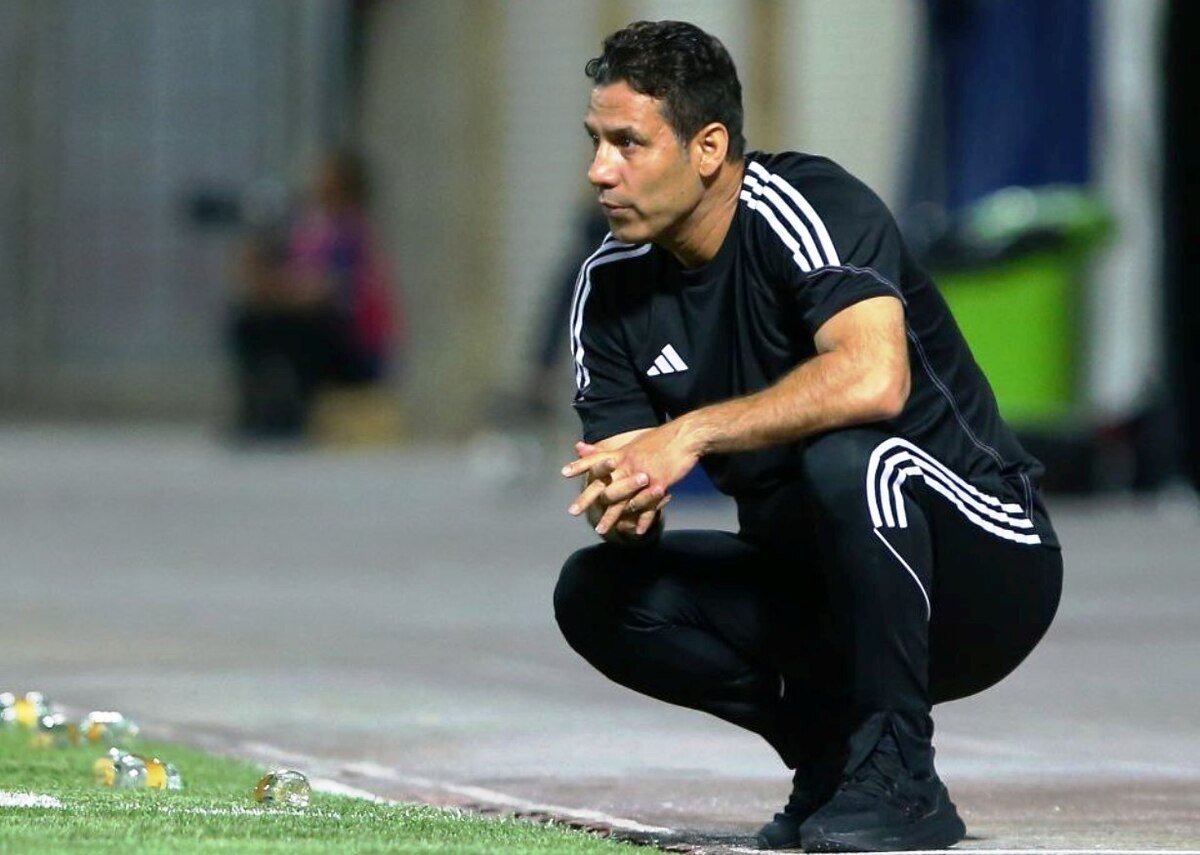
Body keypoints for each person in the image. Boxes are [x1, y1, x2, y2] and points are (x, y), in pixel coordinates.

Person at [554, 21, 1063, 853]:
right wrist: (626, 502)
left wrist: (690, 432)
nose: (600, 170)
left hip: (984, 567)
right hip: (824, 582)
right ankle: (833, 758)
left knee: (849, 457)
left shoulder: (808, 206)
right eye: (595, 142)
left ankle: (901, 772)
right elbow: (630, 479)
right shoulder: (608, 287)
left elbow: (875, 378)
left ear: (708, 148)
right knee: (597, 593)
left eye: (628, 143)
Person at [228, 148, 399, 439]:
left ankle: (295, 412)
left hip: (354, 349)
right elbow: (280, 277)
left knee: (307, 330)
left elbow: (325, 290)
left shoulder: (353, 232)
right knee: (250, 323)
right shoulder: (312, 229)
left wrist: (279, 289)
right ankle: (258, 408)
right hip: (312, 324)